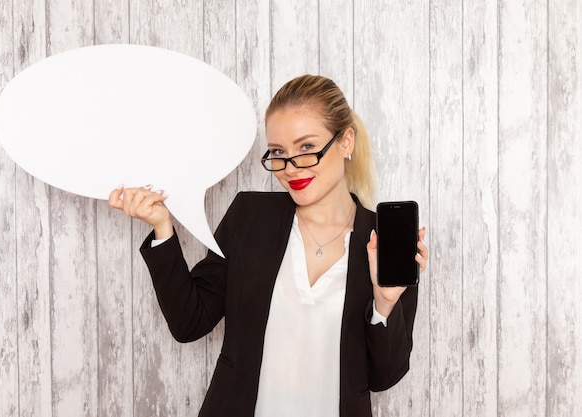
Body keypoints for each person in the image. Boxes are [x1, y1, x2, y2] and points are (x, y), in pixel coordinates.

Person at [108, 74, 428, 417]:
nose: (290, 168)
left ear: (345, 141)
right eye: (278, 152)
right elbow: (190, 322)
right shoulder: (250, 216)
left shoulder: (385, 242)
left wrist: (384, 304)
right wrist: (162, 228)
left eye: (306, 147)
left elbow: (384, 377)